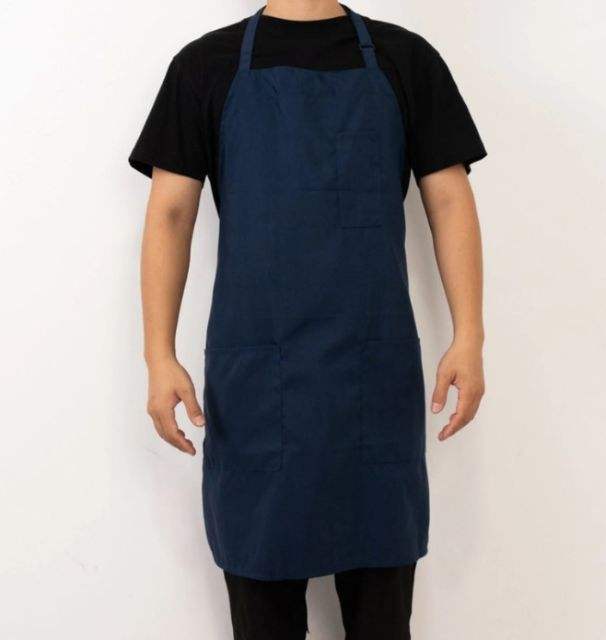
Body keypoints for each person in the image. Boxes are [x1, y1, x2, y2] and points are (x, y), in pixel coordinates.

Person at [129, 1, 486, 637]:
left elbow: (450, 199)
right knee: (262, 613)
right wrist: (158, 355)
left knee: (382, 618)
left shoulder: (406, 59)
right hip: (258, 389)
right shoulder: (204, 65)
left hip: (370, 382)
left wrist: (470, 336)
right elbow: (170, 215)